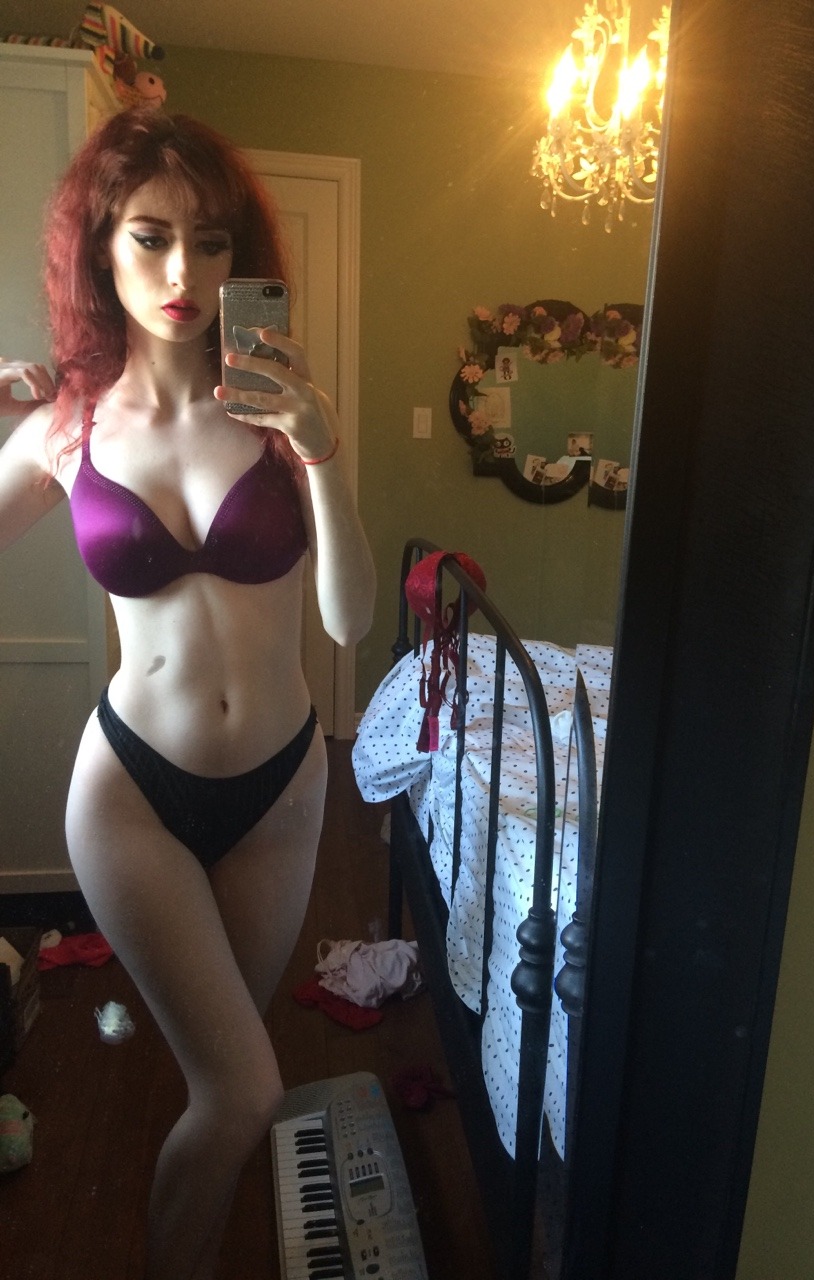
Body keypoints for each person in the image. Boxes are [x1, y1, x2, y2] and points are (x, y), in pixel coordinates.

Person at [0, 107, 375, 1279]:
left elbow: (350, 619)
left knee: (225, 1082)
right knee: (244, 1088)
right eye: (151, 237)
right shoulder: (68, 426)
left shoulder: (282, 413)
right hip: (133, 795)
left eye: (211, 242)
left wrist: (322, 453)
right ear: (101, 247)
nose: (183, 275)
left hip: (281, 791)